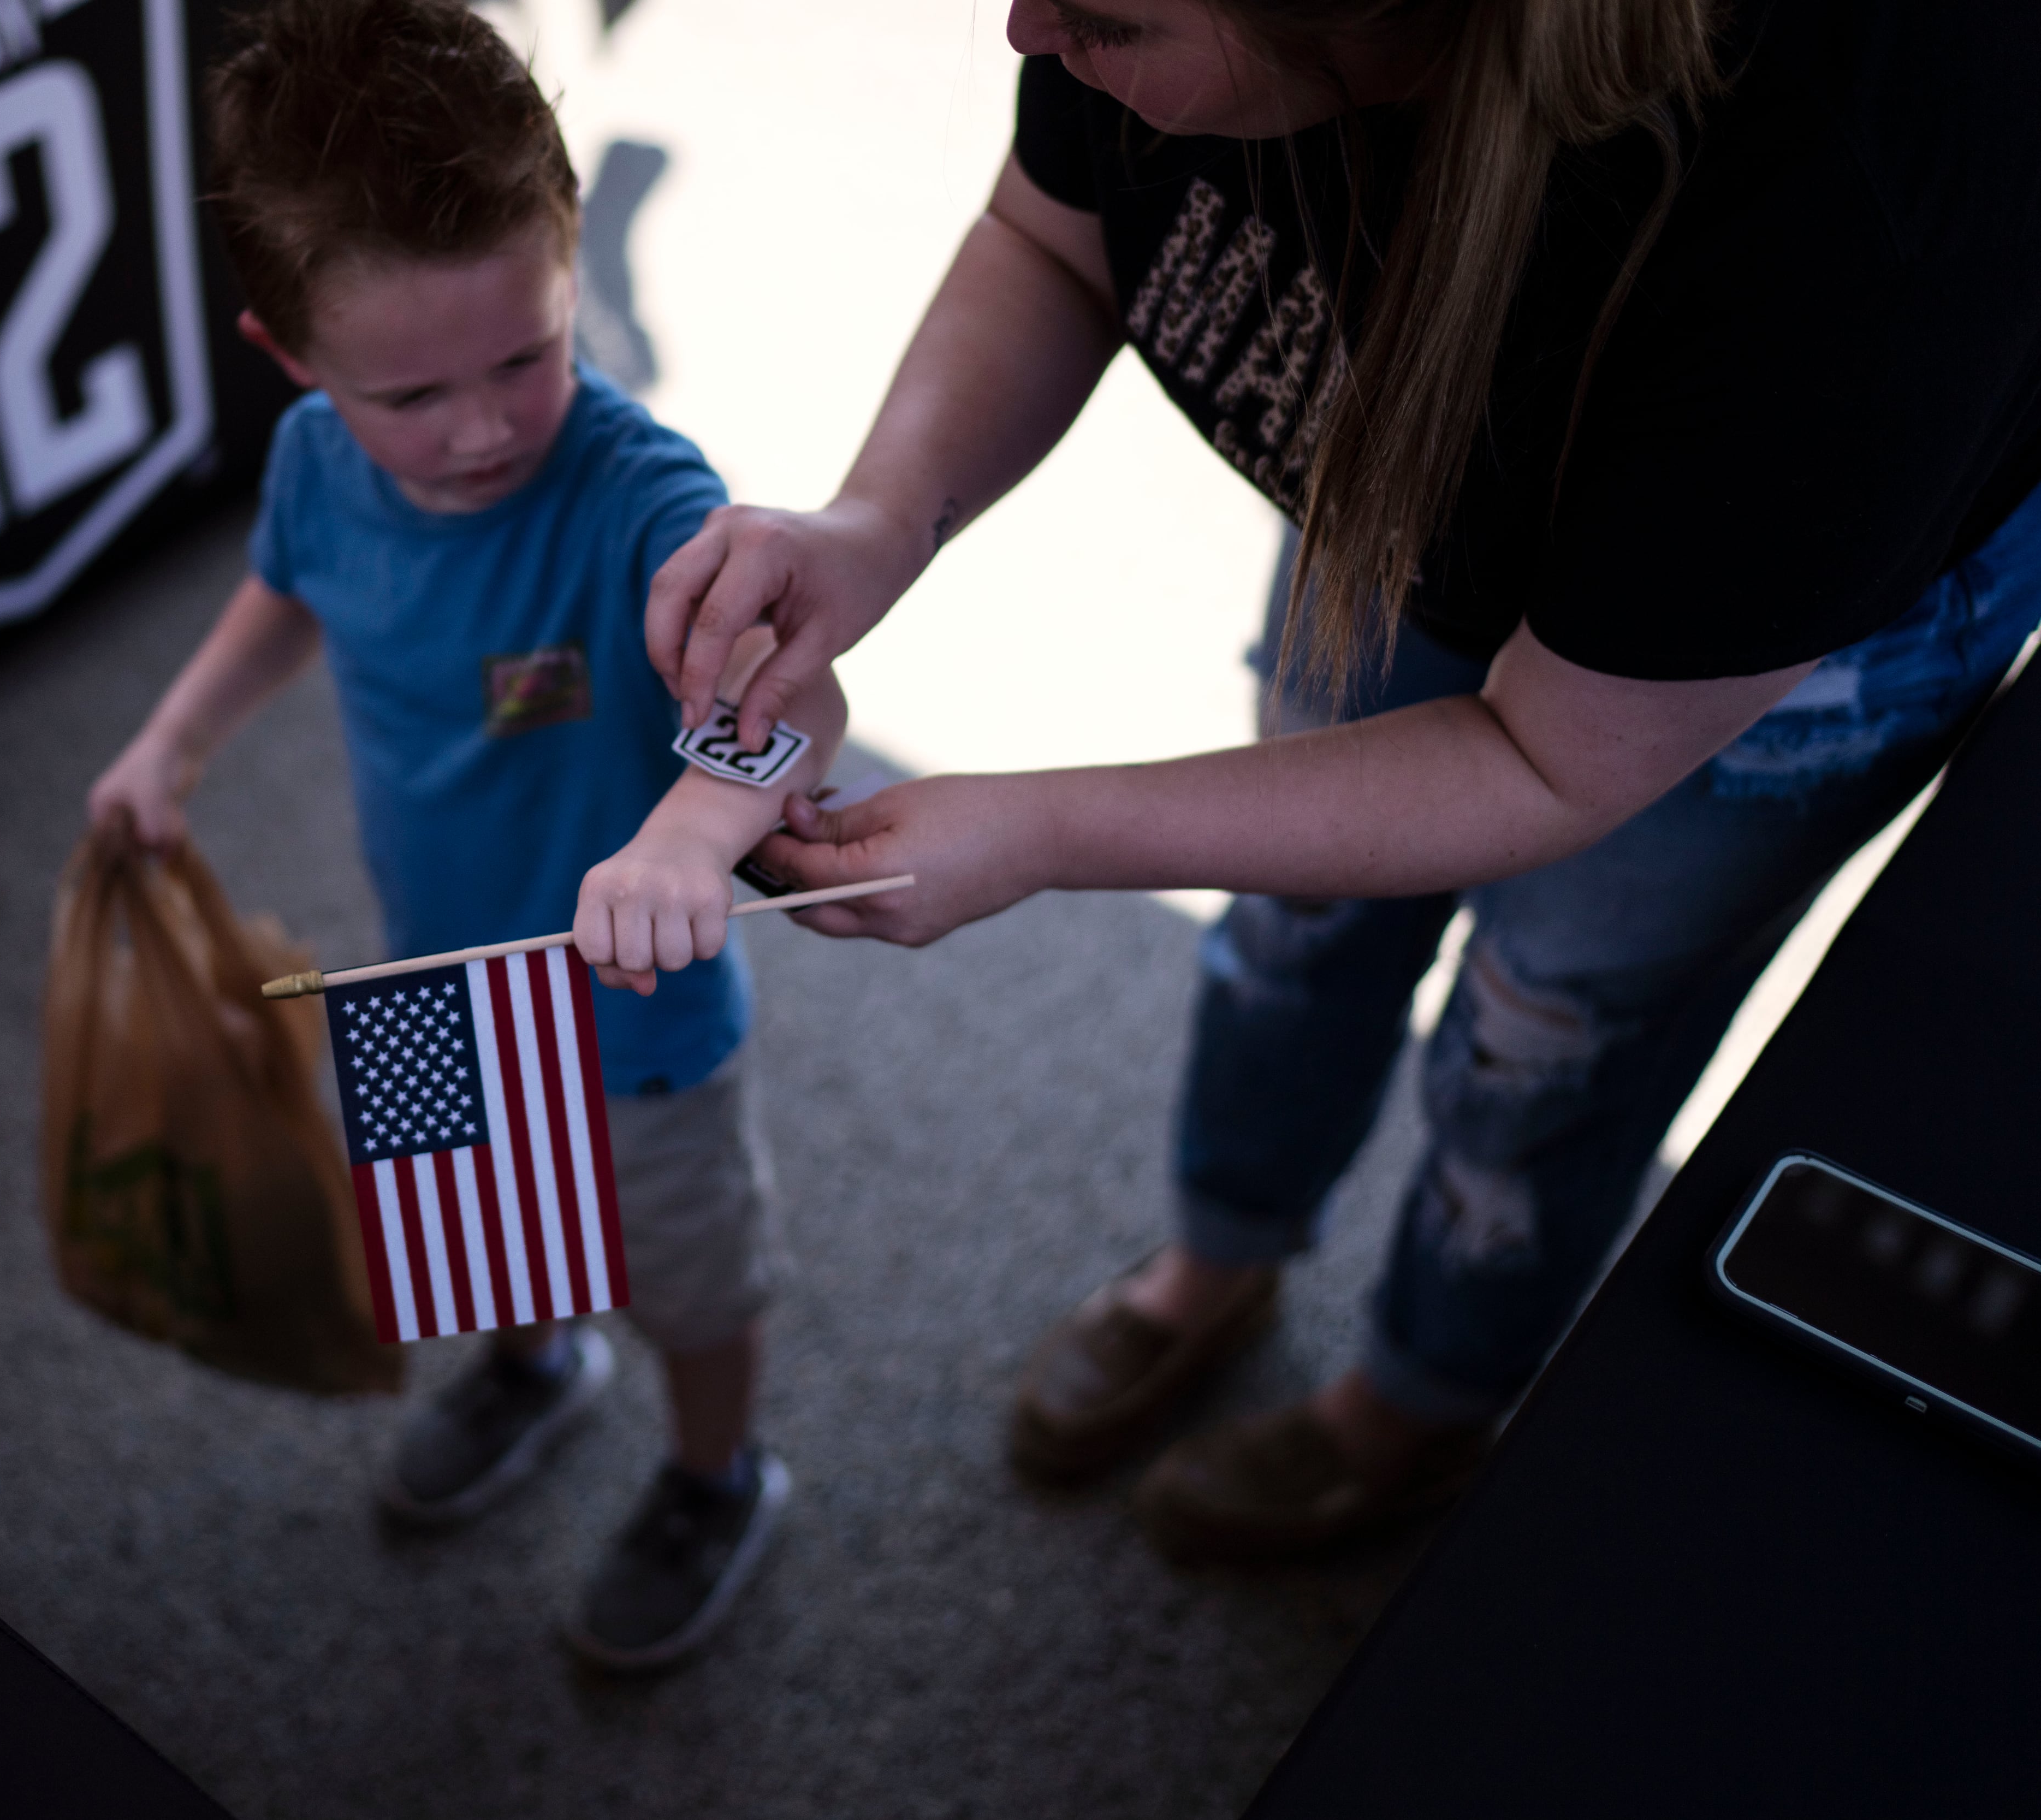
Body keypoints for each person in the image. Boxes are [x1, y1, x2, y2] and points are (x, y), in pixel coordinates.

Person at [644, 0, 2041, 1561]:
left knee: (1550, 1039)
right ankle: (1220, 1258)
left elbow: (1549, 756)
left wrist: (1046, 828)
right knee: (1293, 921)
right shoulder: (1166, 46)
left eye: (1104, 18)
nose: (1026, 31)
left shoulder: (1856, 220)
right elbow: (1054, 238)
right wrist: (878, 518)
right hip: (1419, 494)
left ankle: (1419, 1404)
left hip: (1758, 662)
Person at [87, 0, 842, 1667]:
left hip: (641, 1018)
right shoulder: (311, 460)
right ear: (289, 360)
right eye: (413, 392)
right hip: (432, 965)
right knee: (472, 1223)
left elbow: (802, 698)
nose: (488, 423)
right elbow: (285, 595)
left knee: (690, 1277)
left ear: (570, 265)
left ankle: (717, 1470)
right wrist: (174, 737)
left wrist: (694, 836)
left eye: (529, 352)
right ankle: (529, 1361)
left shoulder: (642, 491)